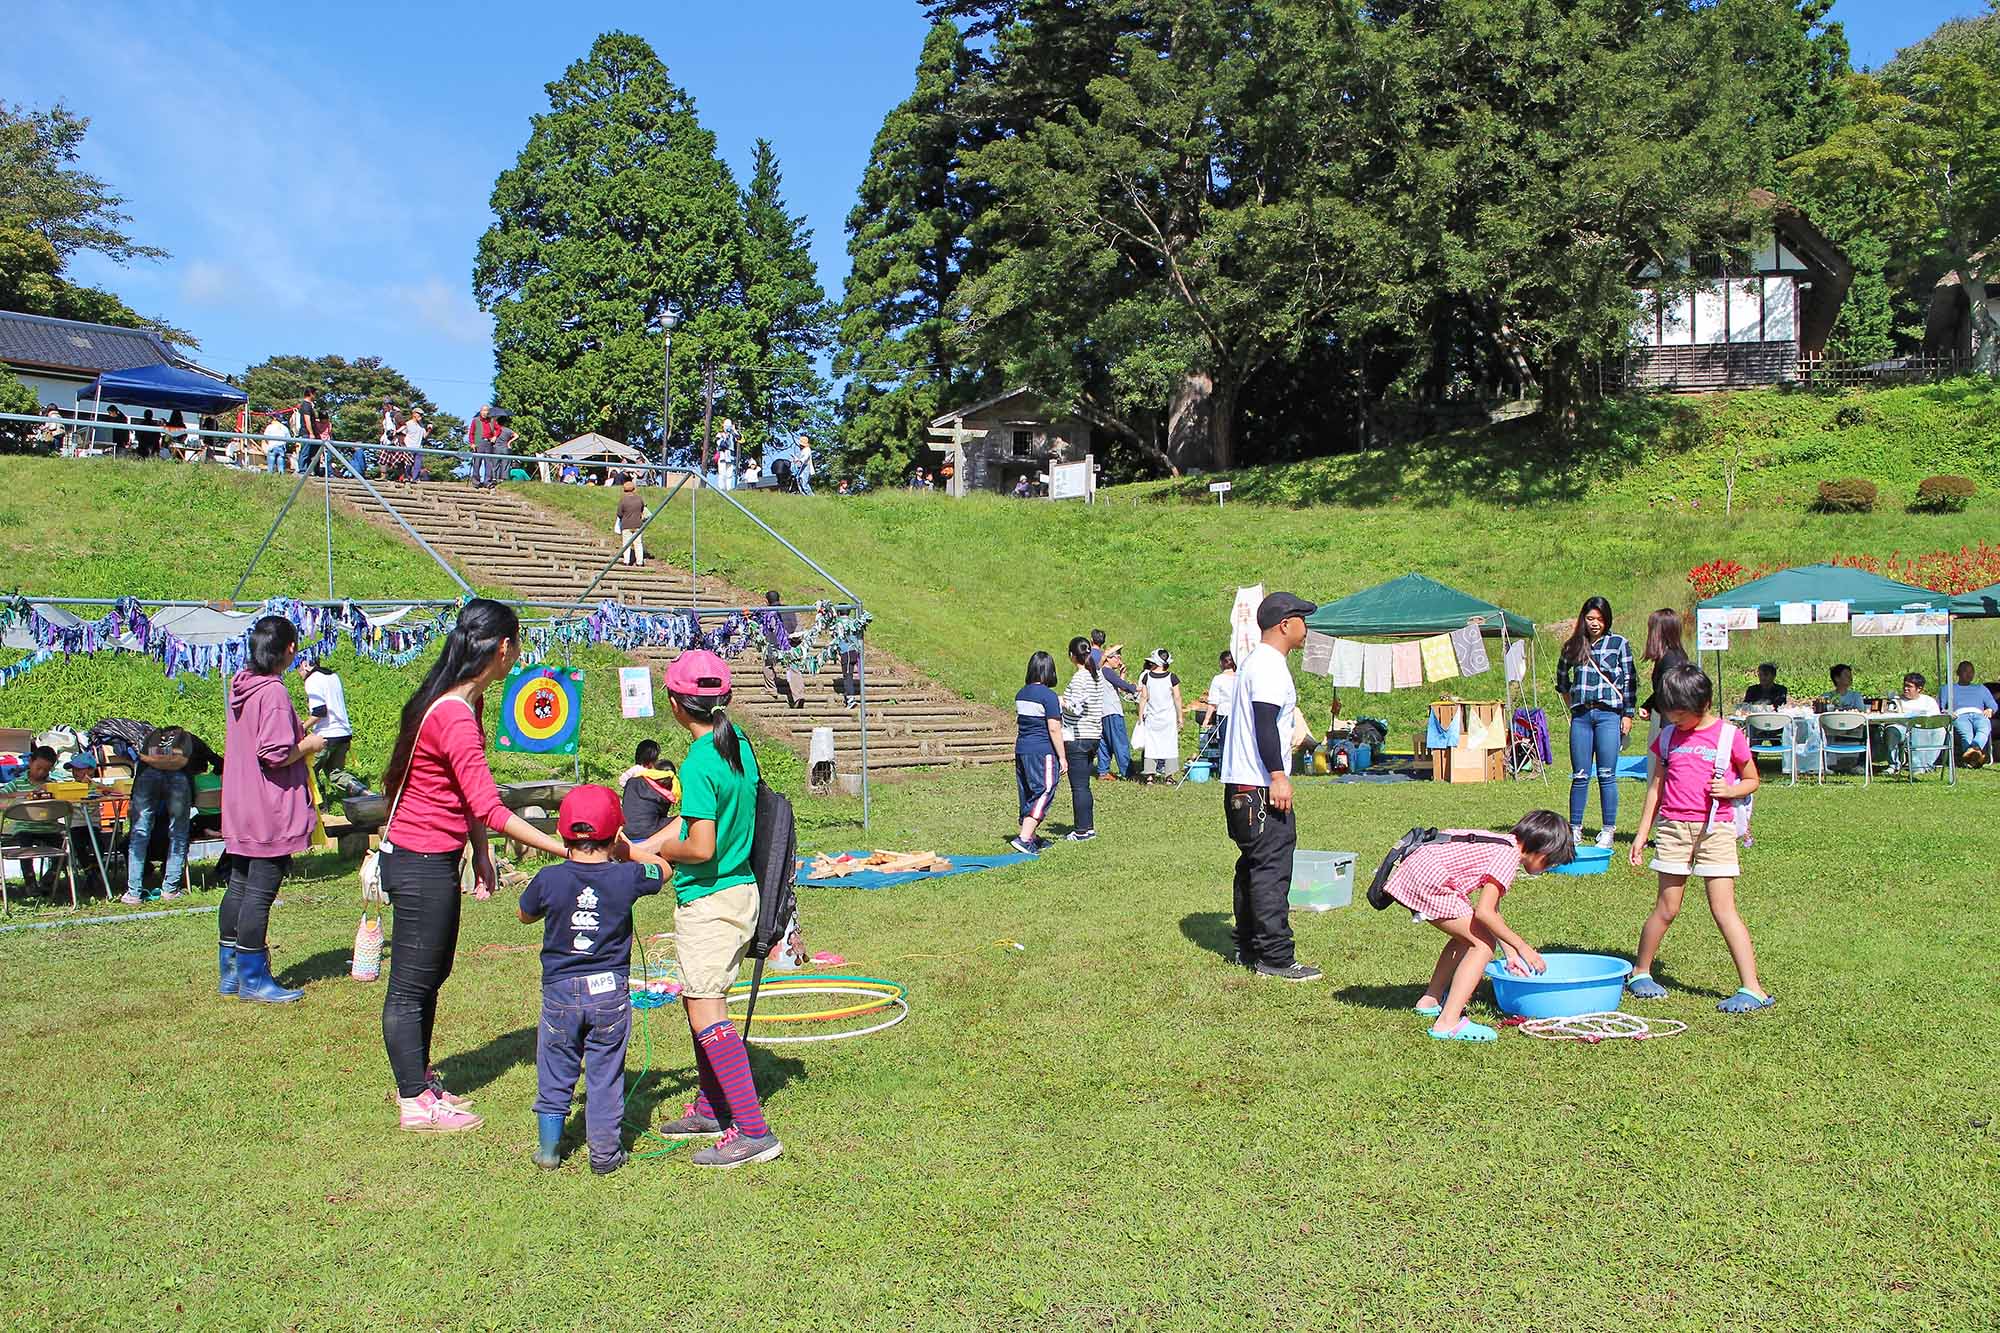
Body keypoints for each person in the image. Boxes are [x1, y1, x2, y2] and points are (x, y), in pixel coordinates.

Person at [377, 600, 574, 1133]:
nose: (518, 654)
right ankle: (414, 1099)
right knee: (412, 982)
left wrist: (480, 851)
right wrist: (565, 849)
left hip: (435, 855)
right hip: (418, 860)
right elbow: (488, 802)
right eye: (519, 645)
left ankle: (421, 1078)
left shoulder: (466, 703)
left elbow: (467, 801)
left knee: (432, 972)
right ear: (503, 648)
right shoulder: (454, 715)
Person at [639, 651, 784, 1168]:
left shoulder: (700, 761)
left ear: (677, 705)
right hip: (738, 892)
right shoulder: (737, 743)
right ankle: (710, 1105)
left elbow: (699, 845)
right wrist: (642, 846)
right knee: (698, 1003)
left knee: (708, 1012)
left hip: (712, 900)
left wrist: (652, 852)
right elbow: (698, 825)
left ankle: (752, 1131)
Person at [519, 785, 664, 1175]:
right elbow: (663, 870)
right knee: (605, 1074)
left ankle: (549, 1151)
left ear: (563, 833)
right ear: (615, 831)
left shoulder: (549, 878)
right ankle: (604, 1156)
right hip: (609, 993)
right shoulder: (628, 876)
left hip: (560, 992)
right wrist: (628, 850)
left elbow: (525, 914)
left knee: (555, 1069)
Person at [1626, 662, 1773, 1013]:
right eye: (1669, 716)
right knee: (1667, 907)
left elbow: (1753, 779)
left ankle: (1752, 988)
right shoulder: (1668, 737)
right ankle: (1640, 971)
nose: (1673, 722)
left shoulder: (1728, 736)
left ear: (1702, 704)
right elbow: (1656, 786)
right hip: (1674, 828)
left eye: (1678, 716)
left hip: (1715, 830)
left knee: (1723, 910)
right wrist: (1642, 833)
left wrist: (1732, 788)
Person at [1377, 811, 1574, 1042]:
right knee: (1482, 945)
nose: (1549, 868)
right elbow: (1484, 912)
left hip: (1419, 871)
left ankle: (1430, 999)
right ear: (1543, 851)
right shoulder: (1507, 858)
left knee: (1468, 937)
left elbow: (1492, 913)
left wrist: (1510, 955)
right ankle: (1448, 1023)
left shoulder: (1504, 844)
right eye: (1551, 862)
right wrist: (1523, 947)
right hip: (1429, 881)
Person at [219, 616, 325, 1004]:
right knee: (259, 894)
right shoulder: (274, 692)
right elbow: (276, 753)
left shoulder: (242, 686)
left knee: (240, 885)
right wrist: (311, 745)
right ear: (291, 649)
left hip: (241, 802)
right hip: (267, 807)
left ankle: (230, 973)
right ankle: (252, 978)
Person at [1220, 592, 1321, 982]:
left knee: (1252, 867)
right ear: (1285, 624)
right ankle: (1276, 958)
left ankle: (1248, 945)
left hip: (1241, 787)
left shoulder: (1252, 663)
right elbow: (1265, 723)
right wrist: (1278, 776)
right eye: (1303, 620)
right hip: (1260, 787)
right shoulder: (1269, 666)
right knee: (1271, 871)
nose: (1306, 628)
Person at [1555, 596, 1635, 851]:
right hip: (1581, 716)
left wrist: (1628, 715)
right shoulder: (1573, 646)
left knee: (1607, 774)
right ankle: (1575, 828)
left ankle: (1607, 830)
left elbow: (1630, 680)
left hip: (1609, 715)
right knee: (1579, 775)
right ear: (1583, 619)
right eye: (1590, 618)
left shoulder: (1619, 643)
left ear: (1607, 619)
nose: (1595, 623)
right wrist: (1572, 703)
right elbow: (1561, 678)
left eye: (1600, 619)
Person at [120, 725, 196, 904]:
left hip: (146, 778)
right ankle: (170, 890)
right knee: (178, 835)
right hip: (179, 779)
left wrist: (155, 760)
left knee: (139, 834)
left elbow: (143, 759)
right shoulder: (186, 738)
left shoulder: (151, 737)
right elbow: (189, 762)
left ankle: (134, 893)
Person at [1010, 651, 1066, 854]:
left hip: (1022, 749)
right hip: (1042, 751)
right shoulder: (1049, 696)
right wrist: (1062, 756)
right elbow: (1054, 728)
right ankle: (1024, 838)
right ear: (1049, 671)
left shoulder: (1021, 693)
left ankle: (1032, 835)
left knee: (1027, 791)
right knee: (1045, 789)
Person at [0, 747, 69, 898]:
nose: (41, 773)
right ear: (30, 762)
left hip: (49, 827)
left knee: (64, 850)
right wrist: (21, 797)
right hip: (25, 827)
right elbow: (2, 795)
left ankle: (49, 879)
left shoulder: (53, 785)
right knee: (25, 849)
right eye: (38, 768)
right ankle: (30, 883)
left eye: (46, 770)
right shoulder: (18, 783)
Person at [1058, 637, 1106, 842]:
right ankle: (1089, 827)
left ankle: (1081, 830)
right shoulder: (1097, 676)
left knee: (1078, 786)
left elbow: (1076, 708)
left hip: (1077, 736)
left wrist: (1061, 701)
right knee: (1084, 785)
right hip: (1094, 735)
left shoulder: (1080, 678)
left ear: (1071, 656)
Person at [1636, 608, 1688, 776]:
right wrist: (1649, 705)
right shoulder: (1670, 656)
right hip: (1663, 720)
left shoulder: (1671, 660)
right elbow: (1661, 689)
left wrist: (1667, 734)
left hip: (1668, 723)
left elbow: (1672, 697)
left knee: (1660, 774)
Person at [301, 657, 353, 800]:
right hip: (343, 733)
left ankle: (320, 806)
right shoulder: (332, 676)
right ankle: (368, 796)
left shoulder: (312, 680)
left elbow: (319, 711)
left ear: (304, 665)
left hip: (326, 735)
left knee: (307, 770)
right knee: (336, 774)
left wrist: (302, 727)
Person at [1133, 649, 1183, 782]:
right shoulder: (1172, 677)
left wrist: (1140, 716)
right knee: (1170, 745)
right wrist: (1180, 717)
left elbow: (1144, 698)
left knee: (1151, 746)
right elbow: (1177, 698)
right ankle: (1169, 776)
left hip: (1152, 717)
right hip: (1168, 718)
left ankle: (1150, 776)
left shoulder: (1146, 677)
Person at [619, 739, 680, 841]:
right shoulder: (665, 794)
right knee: (682, 820)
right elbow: (661, 816)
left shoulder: (632, 780)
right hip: (646, 833)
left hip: (625, 830)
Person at [1886, 671, 1946, 774]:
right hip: (1902, 728)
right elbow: (1889, 716)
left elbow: (1936, 719)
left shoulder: (1928, 701)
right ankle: (1894, 765)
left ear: (1919, 689)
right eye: (1905, 685)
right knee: (1891, 730)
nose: (1905, 689)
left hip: (1923, 729)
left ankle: (1926, 764)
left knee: (1940, 730)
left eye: (1909, 686)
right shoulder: (1896, 700)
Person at [1939, 660, 1995, 767]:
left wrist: (1990, 710)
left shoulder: (1980, 688)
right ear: (1958, 673)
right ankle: (1975, 757)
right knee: (1966, 733)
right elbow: (1941, 707)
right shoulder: (1948, 688)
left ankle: (1972, 754)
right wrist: (1948, 712)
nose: (1969, 674)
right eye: (1965, 671)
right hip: (1960, 715)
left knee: (1984, 728)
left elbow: (1992, 704)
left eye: (1971, 672)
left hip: (1979, 714)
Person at [1095, 646, 1139, 780]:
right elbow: (1121, 685)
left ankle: (1103, 771)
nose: (1119, 661)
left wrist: (1122, 674)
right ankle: (1127, 772)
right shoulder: (1107, 671)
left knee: (1104, 743)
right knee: (1120, 742)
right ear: (1109, 658)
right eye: (1117, 657)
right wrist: (1136, 689)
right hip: (1112, 712)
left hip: (1102, 712)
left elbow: (1116, 686)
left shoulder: (1102, 673)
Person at [1197, 651, 1236, 734]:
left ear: (1221, 663)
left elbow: (1213, 702)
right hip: (1240, 714)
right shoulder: (1241, 678)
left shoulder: (1218, 679)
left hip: (1224, 714)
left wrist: (1207, 719)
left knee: (1224, 743)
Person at [614, 480, 646, 565]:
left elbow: (619, 514)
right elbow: (642, 510)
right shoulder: (639, 499)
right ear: (634, 489)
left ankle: (626, 561)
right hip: (638, 524)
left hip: (626, 525)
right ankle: (640, 562)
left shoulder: (623, 500)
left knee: (626, 544)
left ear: (624, 490)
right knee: (638, 544)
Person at [467, 406, 500, 488]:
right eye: (483, 410)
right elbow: (471, 433)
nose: (485, 412)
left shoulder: (491, 421)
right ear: (481, 411)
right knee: (477, 463)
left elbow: (499, 429)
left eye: (487, 411)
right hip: (478, 442)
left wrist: (495, 436)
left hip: (488, 443)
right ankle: (476, 482)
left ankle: (487, 482)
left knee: (488, 463)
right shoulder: (475, 420)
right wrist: (472, 443)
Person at [399, 408, 427, 480]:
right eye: (419, 414)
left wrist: (429, 430)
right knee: (408, 464)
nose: (421, 416)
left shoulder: (421, 425)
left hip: (419, 448)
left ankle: (415, 479)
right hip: (409, 447)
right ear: (414, 414)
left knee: (418, 465)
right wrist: (403, 446)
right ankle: (407, 477)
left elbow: (425, 436)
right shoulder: (408, 424)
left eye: (421, 414)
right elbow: (402, 434)